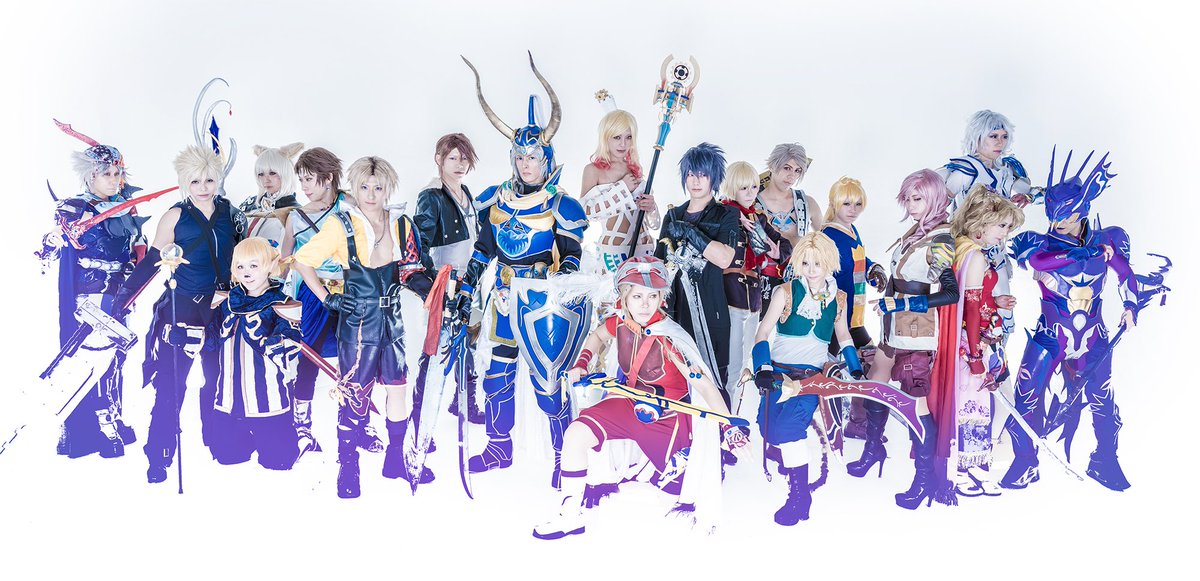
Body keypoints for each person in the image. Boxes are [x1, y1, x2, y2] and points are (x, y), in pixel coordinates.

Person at [536, 257, 748, 539]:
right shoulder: (619, 322)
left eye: (652, 296)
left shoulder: (671, 338)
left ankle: (675, 462)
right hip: (628, 403)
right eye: (637, 296)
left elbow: (706, 388)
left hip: (668, 418)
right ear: (624, 297)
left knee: (675, 492)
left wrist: (729, 427)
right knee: (575, 434)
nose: (645, 304)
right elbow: (597, 336)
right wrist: (582, 363)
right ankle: (570, 515)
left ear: (661, 298)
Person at [452, 53, 589, 487]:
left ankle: (563, 455)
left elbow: (571, 255)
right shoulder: (497, 199)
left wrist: (558, 283)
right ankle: (498, 447)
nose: (526, 163)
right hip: (503, 296)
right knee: (497, 374)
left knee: (548, 382)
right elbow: (483, 251)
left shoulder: (561, 204)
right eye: (520, 156)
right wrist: (466, 290)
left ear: (546, 157)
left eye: (533, 156)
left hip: (543, 301)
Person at [291, 155, 435, 498]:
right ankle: (348, 466)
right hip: (357, 322)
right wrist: (327, 298)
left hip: (392, 320)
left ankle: (395, 459)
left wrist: (435, 291)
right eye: (364, 187)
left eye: (378, 187)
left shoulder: (401, 224)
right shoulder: (341, 224)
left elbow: (410, 270)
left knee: (398, 389)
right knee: (355, 395)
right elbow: (302, 261)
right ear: (354, 188)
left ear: (388, 189)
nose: (371, 194)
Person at [1004, 150, 1140, 491]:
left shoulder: (1106, 240)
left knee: (1102, 400)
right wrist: (1079, 253)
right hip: (1052, 335)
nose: (1057, 223)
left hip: (1094, 336)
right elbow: (1038, 262)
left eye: (1064, 217)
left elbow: (1125, 274)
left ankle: (1104, 460)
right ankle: (1025, 462)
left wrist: (1130, 306)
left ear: (1082, 212)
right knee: (1026, 396)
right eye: (1053, 216)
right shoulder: (1039, 242)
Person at [115, 144, 246, 484]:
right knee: (171, 385)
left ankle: (220, 442)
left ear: (218, 180)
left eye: (209, 180)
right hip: (183, 307)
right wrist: (124, 297)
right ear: (184, 182)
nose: (203, 188)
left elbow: (246, 261)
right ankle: (159, 453)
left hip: (222, 309)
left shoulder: (232, 215)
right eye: (195, 181)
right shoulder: (174, 216)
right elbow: (152, 261)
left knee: (219, 381)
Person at [39, 122, 146, 458]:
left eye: (118, 173)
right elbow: (46, 252)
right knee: (91, 360)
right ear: (91, 176)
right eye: (107, 174)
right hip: (89, 299)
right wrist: (56, 239)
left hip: (119, 295)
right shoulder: (73, 208)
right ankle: (96, 426)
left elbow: (136, 250)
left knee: (116, 359)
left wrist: (137, 263)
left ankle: (113, 415)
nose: (115, 180)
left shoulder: (126, 209)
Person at [751, 232, 865, 525]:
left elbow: (843, 335)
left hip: (811, 378)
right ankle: (792, 460)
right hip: (777, 373)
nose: (812, 269)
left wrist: (855, 368)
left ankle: (800, 496)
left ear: (829, 263)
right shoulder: (785, 292)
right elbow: (762, 332)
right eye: (805, 263)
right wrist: (762, 367)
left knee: (788, 430)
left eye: (818, 263)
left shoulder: (839, 298)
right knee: (767, 429)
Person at [865, 169, 959, 509]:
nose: (911, 204)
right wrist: (882, 281)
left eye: (917, 198)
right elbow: (904, 277)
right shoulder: (917, 232)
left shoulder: (942, 239)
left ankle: (923, 481)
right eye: (907, 198)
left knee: (915, 406)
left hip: (917, 334)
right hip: (892, 327)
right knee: (873, 385)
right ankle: (873, 448)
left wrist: (901, 303)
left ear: (934, 198)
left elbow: (950, 294)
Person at [410, 132, 484, 469]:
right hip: (445, 283)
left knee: (468, 343)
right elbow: (419, 245)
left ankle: (465, 401)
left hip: (470, 281)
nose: (459, 164)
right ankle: (420, 421)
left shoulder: (466, 193)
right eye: (452, 157)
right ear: (439, 159)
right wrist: (437, 284)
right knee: (435, 352)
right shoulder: (431, 196)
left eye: (464, 158)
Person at [278, 147, 355, 457]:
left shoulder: (351, 205)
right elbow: (283, 261)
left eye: (310, 179)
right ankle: (301, 424)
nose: (304, 187)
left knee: (356, 356)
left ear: (329, 177)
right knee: (308, 355)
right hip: (312, 291)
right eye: (301, 180)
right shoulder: (296, 216)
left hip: (351, 289)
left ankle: (355, 420)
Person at [654, 143, 746, 400]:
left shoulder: (727, 214)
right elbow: (659, 264)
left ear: (713, 178)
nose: (695, 181)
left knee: (714, 382)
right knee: (672, 381)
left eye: (703, 175)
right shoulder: (673, 215)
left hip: (710, 311)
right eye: (691, 174)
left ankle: (724, 426)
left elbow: (724, 258)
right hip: (673, 311)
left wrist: (690, 232)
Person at [948, 186, 1023, 495]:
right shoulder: (975, 256)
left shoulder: (961, 247)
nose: (1004, 234)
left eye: (1008, 227)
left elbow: (972, 301)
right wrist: (976, 356)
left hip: (970, 338)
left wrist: (995, 301)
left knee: (974, 404)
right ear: (981, 220)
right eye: (1001, 225)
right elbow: (970, 308)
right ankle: (963, 469)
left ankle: (975, 465)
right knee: (972, 404)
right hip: (971, 342)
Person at [206, 237, 302, 470]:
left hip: (269, 402)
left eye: (253, 265)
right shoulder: (225, 301)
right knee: (227, 457)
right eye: (240, 266)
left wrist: (268, 341)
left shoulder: (282, 304)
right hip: (227, 401)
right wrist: (185, 334)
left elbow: (291, 346)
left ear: (270, 265)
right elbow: (210, 340)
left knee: (279, 461)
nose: (246, 272)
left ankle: (281, 437)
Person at [819, 177, 887, 444]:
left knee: (869, 364)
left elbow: (857, 262)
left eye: (858, 204)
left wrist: (873, 269)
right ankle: (824, 426)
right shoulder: (827, 235)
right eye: (847, 203)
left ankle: (857, 423)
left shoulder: (850, 230)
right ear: (834, 203)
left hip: (854, 317)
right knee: (824, 372)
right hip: (834, 318)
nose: (853, 209)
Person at [719, 160, 791, 408]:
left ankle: (734, 410)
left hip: (754, 297)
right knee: (731, 361)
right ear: (732, 188)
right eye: (743, 188)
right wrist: (735, 215)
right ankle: (726, 413)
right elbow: (707, 213)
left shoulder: (758, 217)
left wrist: (777, 252)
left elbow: (784, 244)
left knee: (744, 362)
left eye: (753, 187)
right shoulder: (722, 213)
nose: (750, 193)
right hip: (730, 294)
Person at [579, 106, 659, 274]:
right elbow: (585, 213)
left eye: (628, 137)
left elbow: (654, 223)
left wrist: (651, 207)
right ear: (605, 137)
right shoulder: (593, 170)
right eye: (617, 137)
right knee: (612, 292)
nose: (623, 144)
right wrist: (622, 188)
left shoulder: (635, 168)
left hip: (645, 250)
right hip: (613, 254)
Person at [937, 110, 1038, 214]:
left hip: (1004, 224)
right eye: (993, 136)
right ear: (977, 137)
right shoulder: (965, 170)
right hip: (967, 225)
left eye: (1004, 137)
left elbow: (1044, 196)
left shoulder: (1008, 169)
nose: (1000, 142)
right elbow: (934, 209)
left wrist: (1029, 197)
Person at [240, 142, 304, 245]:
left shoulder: (295, 215)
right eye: (261, 174)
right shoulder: (251, 207)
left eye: (272, 173)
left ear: (286, 173)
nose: (266, 180)